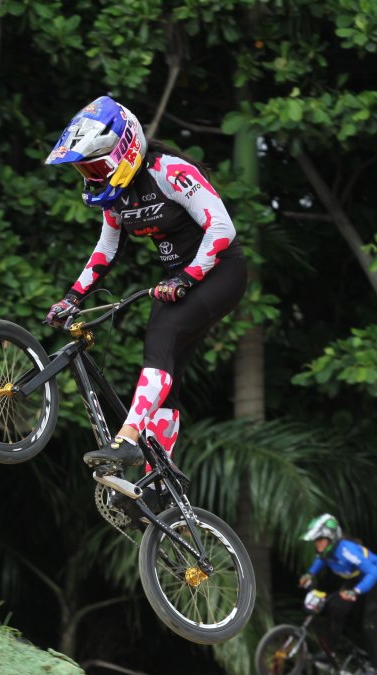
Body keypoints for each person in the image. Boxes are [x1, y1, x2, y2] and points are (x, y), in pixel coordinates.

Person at [42, 95, 246, 473]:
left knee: (161, 339)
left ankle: (128, 439)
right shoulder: (115, 198)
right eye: (86, 171)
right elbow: (106, 248)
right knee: (168, 374)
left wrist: (188, 275)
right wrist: (72, 297)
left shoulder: (169, 170)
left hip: (220, 272)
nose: (94, 177)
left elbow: (222, 226)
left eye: (98, 165)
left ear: (126, 149)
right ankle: (161, 483)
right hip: (178, 281)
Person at [299, 513, 377, 675]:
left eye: (321, 541)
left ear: (331, 539)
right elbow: (320, 560)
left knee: (370, 624)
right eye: (316, 542)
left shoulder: (346, 551)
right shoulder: (325, 552)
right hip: (357, 577)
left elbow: (373, 571)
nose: (318, 546)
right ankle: (330, 654)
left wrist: (355, 591)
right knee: (335, 607)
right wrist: (310, 574)